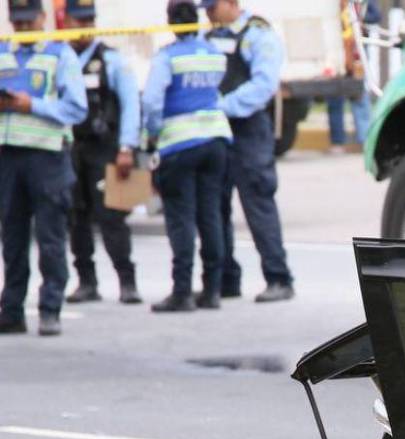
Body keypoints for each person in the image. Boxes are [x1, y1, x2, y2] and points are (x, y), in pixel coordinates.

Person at [0, 0, 88, 337]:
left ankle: (50, 309)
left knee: (51, 237)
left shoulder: (59, 55)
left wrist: (31, 104)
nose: (23, 30)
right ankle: (12, 311)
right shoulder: (3, 53)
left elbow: (76, 107)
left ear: (42, 18)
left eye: (28, 23)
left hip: (47, 157)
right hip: (9, 156)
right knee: (12, 238)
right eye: (17, 24)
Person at [200, 0, 294, 303]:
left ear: (232, 3)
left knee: (258, 202)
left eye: (213, 7)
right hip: (216, 131)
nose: (209, 13)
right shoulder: (210, 36)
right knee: (215, 206)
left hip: (248, 128)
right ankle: (226, 279)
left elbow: (264, 85)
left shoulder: (258, 35)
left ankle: (279, 278)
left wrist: (222, 106)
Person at [142, 0, 232, 312]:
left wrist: (152, 134)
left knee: (181, 219)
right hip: (216, 140)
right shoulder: (214, 53)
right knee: (210, 215)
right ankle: (212, 291)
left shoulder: (167, 56)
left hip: (180, 144)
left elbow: (153, 101)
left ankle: (182, 292)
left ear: (171, 22)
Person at [63, 0, 143, 305]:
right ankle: (86, 281)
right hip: (73, 149)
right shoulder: (62, 58)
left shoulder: (111, 59)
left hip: (105, 148)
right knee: (76, 216)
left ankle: (127, 281)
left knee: (112, 216)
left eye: (88, 22)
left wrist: (127, 147)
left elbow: (130, 105)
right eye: (77, 21)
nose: (82, 28)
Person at [327, 0, 379, 152]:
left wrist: (356, 18)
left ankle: (365, 140)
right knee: (334, 95)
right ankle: (337, 141)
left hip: (357, 50)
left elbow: (375, 15)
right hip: (335, 49)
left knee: (359, 94)